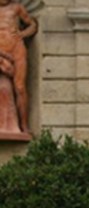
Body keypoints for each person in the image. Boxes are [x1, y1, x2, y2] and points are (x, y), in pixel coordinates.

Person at [0, 0, 37, 135]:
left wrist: (24, 34)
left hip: (16, 49)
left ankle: (24, 125)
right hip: (1, 50)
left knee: (20, 88)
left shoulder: (17, 8)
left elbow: (32, 24)